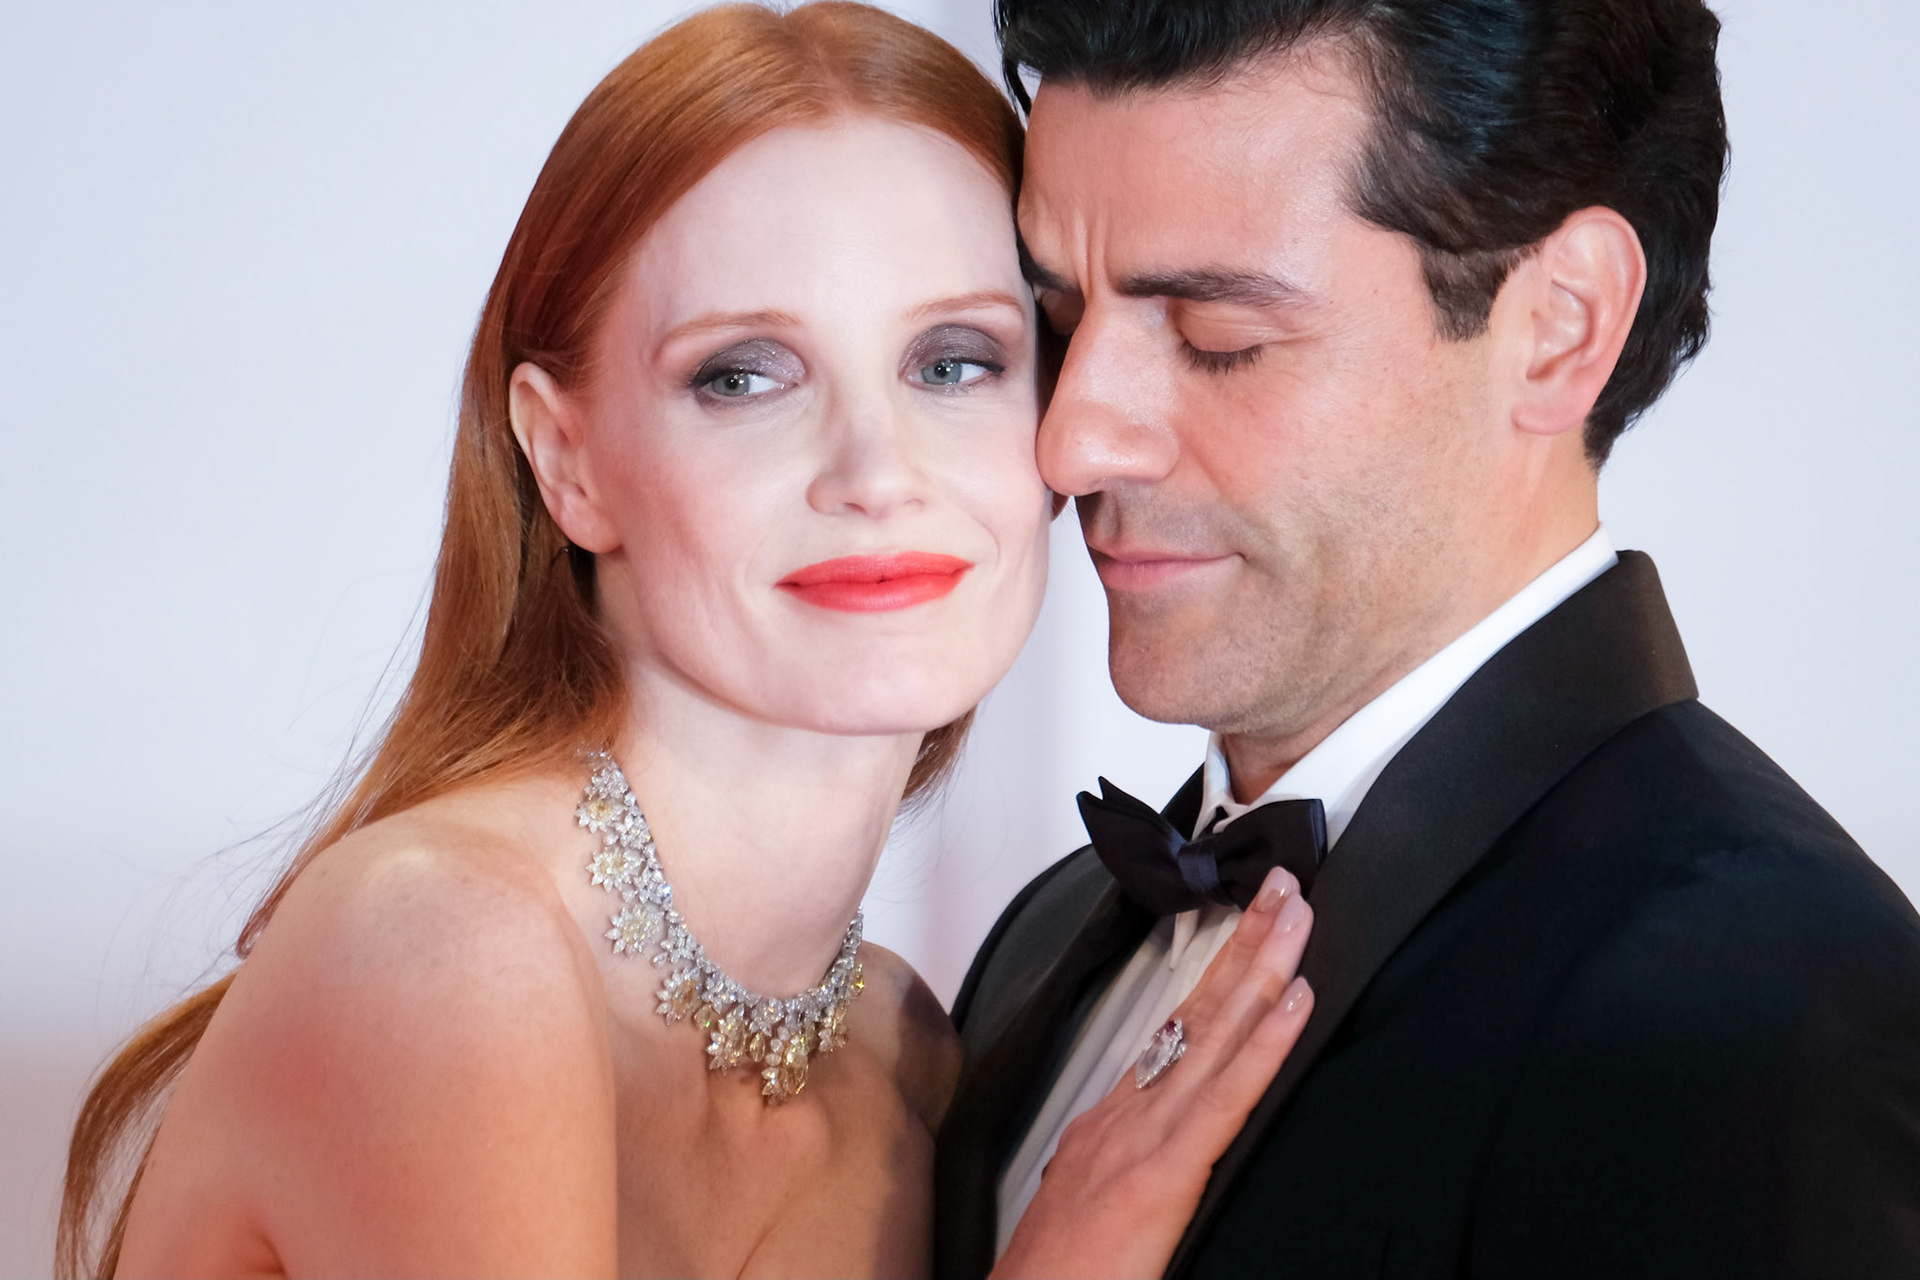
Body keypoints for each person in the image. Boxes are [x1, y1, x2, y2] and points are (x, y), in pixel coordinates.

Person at [56, 5, 1318, 1277]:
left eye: (953, 361)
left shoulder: (908, 1055)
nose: (876, 472)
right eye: (743, 376)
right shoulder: (444, 946)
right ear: (569, 461)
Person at [940, 1, 1920, 1277]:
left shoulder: (1772, 1015)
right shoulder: (1039, 941)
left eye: (1217, 338)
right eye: (1064, 316)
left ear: (1559, 323)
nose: (1073, 442)